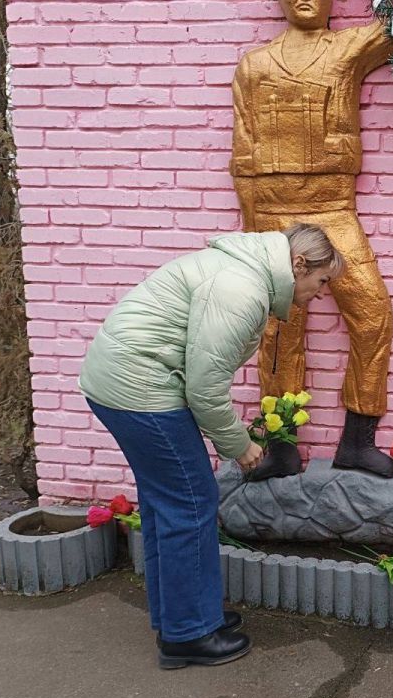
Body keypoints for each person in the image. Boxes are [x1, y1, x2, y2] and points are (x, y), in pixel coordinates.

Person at [78, 223, 344, 669]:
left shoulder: (243, 272)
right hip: (140, 387)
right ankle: (188, 635)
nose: (320, 294)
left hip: (122, 381)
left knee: (168, 502)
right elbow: (204, 388)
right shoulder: (241, 289)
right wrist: (239, 445)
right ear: (299, 265)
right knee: (191, 500)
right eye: (321, 282)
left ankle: (182, 618)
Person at [230, 0, 393, 479]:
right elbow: (243, 145)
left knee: (372, 316)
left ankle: (357, 441)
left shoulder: (349, 46)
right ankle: (281, 446)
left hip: (333, 208)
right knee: (280, 332)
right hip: (272, 211)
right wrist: (253, 230)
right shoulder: (256, 64)